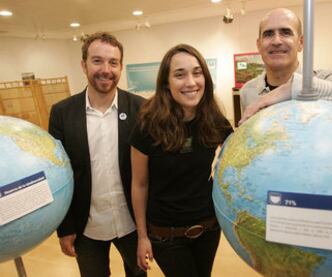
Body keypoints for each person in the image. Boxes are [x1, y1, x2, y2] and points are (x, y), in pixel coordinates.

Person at [129, 44, 233, 277]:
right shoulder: (148, 126)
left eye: (197, 73)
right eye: (179, 74)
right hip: (166, 235)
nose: (191, 82)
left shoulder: (214, 120)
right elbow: (139, 184)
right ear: (166, 83)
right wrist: (142, 236)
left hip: (208, 228)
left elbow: (239, 157)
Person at [48, 32, 147, 277]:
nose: (106, 69)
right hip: (87, 227)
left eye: (113, 62)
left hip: (132, 224)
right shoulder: (62, 113)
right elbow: (56, 174)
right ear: (83, 65)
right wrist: (65, 228)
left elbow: (151, 170)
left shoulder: (141, 109)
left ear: (121, 66)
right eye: (97, 61)